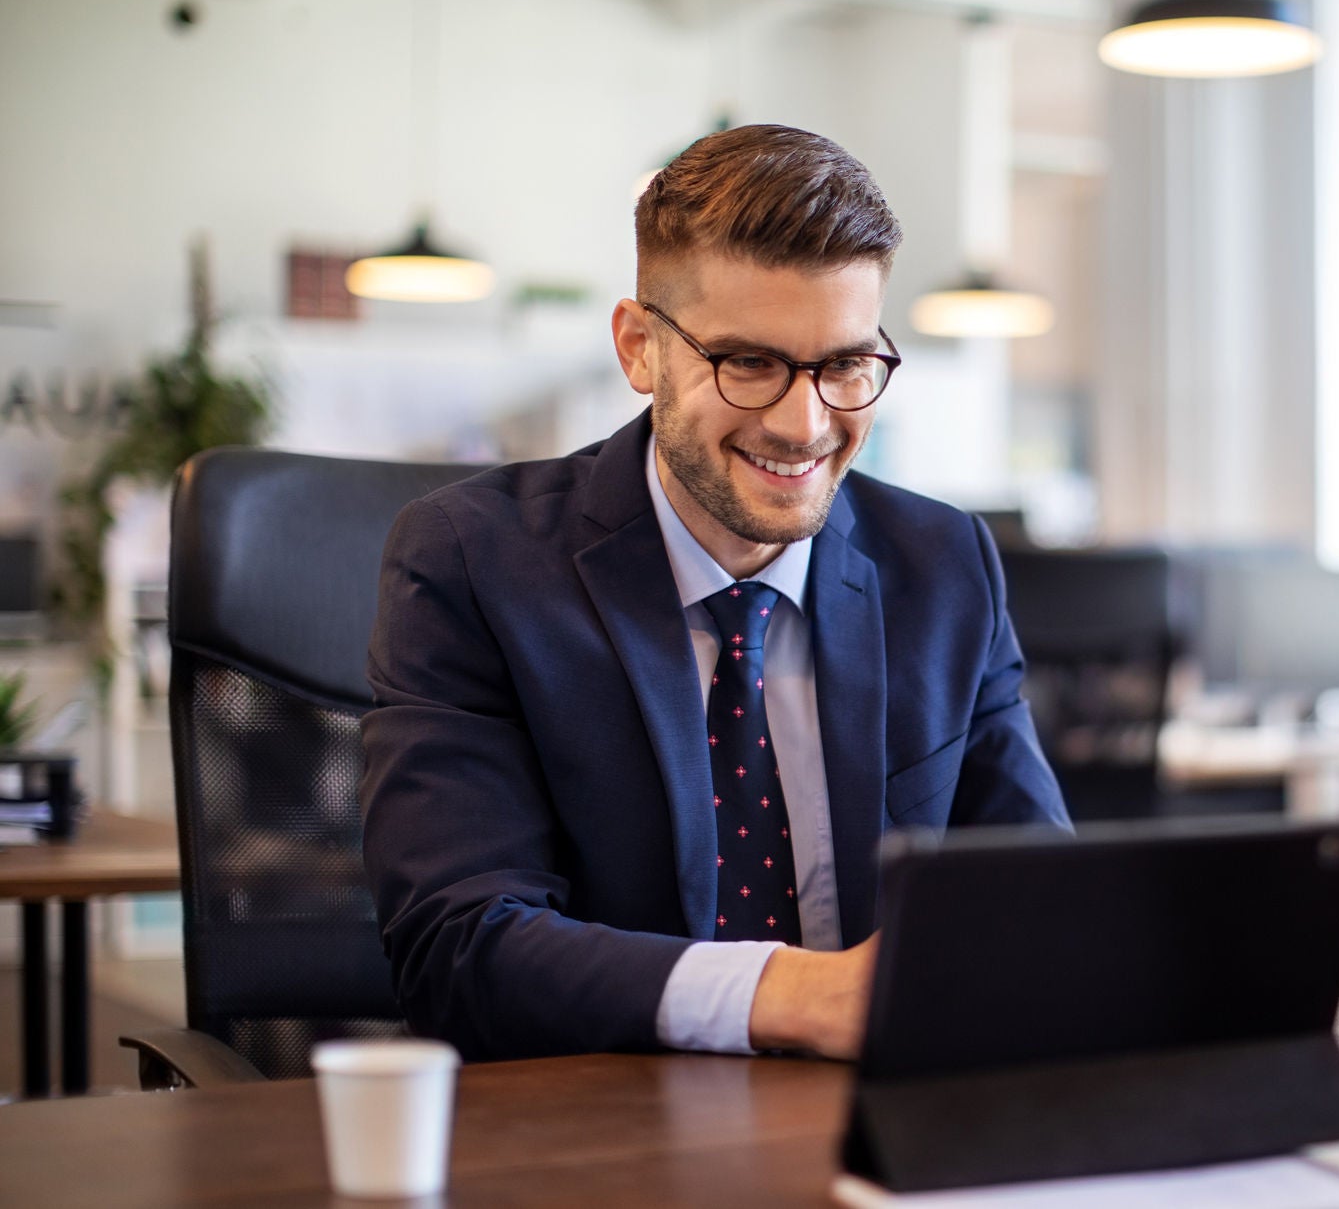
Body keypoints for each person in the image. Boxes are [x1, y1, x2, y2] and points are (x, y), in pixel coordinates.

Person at [360, 124, 1070, 1063]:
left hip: (885, 1136)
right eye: (750, 363)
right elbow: (459, 948)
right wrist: (795, 994)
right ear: (641, 349)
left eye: (846, 365)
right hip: (601, 1137)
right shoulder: (472, 564)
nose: (804, 422)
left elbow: (1046, 901)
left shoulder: (943, 566)